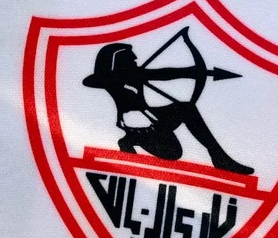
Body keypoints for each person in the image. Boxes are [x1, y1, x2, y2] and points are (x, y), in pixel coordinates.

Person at [82, 39, 254, 175]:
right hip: (136, 125)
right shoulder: (109, 81)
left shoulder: (137, 74)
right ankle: (129, 140)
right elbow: (93, 80)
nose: (135, 60)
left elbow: (165, 73)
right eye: (130, 58)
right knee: (177, 131)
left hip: (152, 120)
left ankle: (219, 157)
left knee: (176, 142)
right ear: (119, 63)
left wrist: (194, 71)